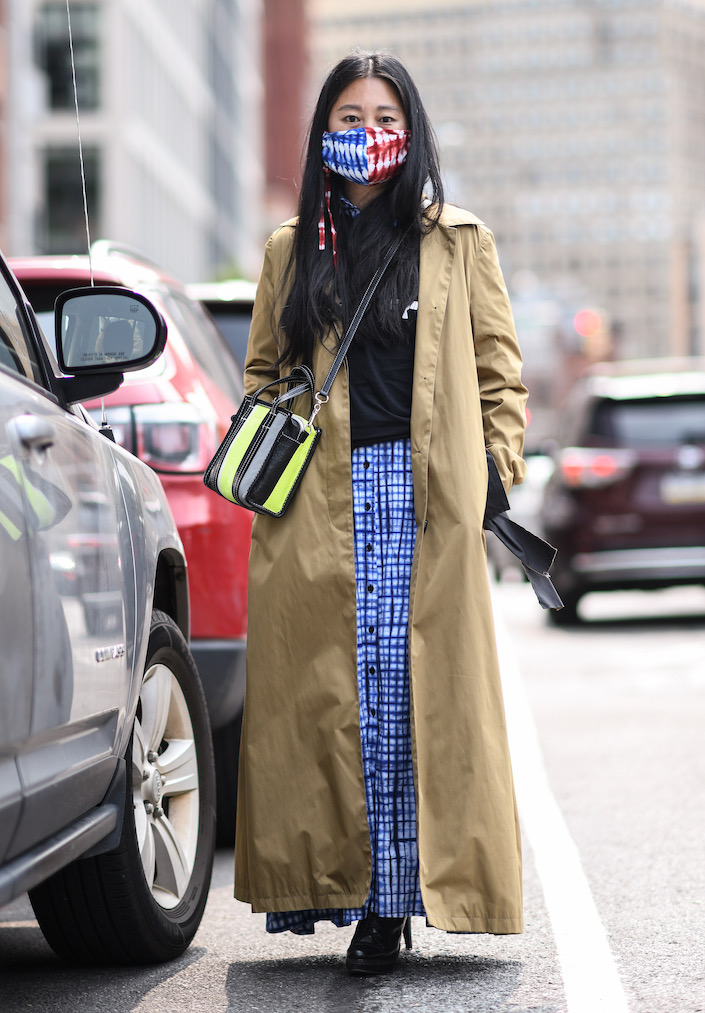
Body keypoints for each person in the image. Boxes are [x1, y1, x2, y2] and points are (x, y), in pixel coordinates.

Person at [234, 50, 528, 976]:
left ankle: (391, 904)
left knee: (410, 700)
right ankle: (349, 887)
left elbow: (498, 372)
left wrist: (497, 464)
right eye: (350, 117)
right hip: (318, 500)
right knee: (336, 701)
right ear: (323, 132)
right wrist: (282, 411)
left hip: (425, 497)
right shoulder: (292, 250)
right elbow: (262, 376)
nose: (368, 134)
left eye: (385, 117)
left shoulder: (456, 240)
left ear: (412, 130)